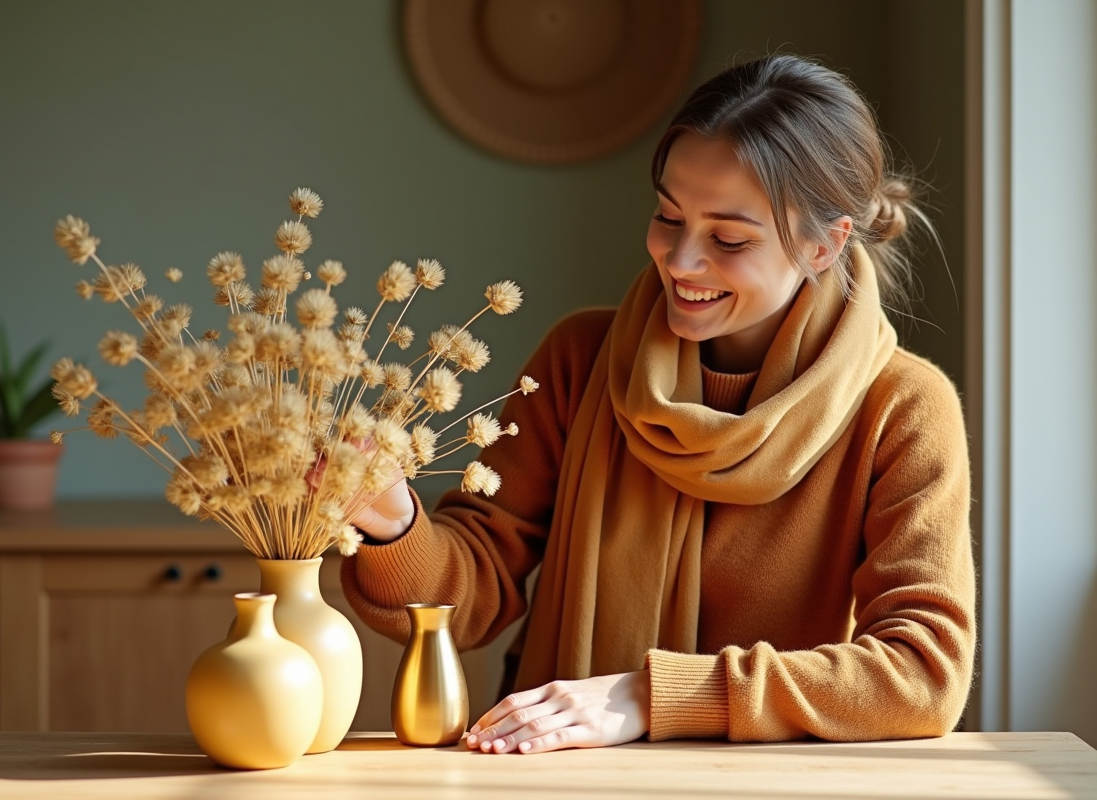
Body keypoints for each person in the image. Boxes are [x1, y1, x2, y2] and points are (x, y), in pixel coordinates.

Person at [341, 53, 975, 754]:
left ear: (825, 245)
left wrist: (649, 694)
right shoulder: (579, 360)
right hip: (554, 774)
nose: (680, 260)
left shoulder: (904, 409)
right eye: (669, 217)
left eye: (728, 238)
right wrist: (394, 522)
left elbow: (923, 674)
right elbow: (471, 592)